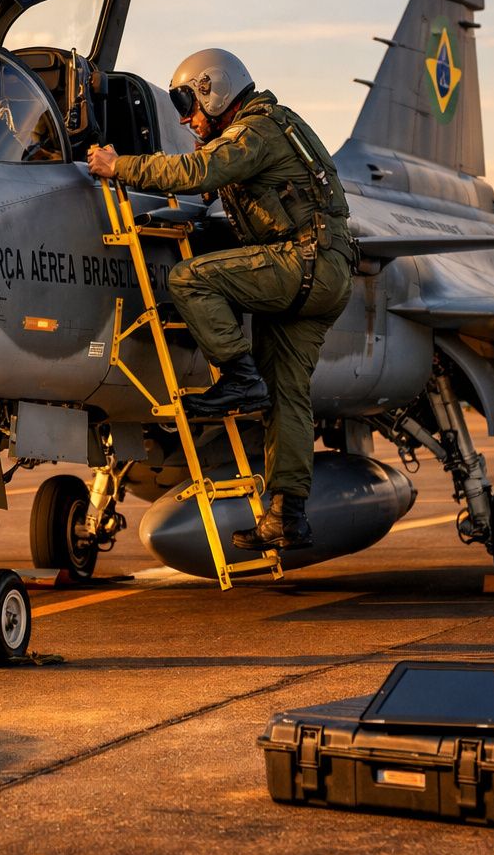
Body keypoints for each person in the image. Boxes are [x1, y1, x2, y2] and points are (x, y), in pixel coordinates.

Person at [87, 49, 355, 551]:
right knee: (287, 396)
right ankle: (287, 516)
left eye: (189, 104)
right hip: (324, 272)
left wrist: (117, 165)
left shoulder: (255, 131)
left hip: (302, 263)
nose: (187, 118)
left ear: (216, 91)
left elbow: (197, 171)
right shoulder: (271, 129)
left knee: (190, 279)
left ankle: (237, 377)